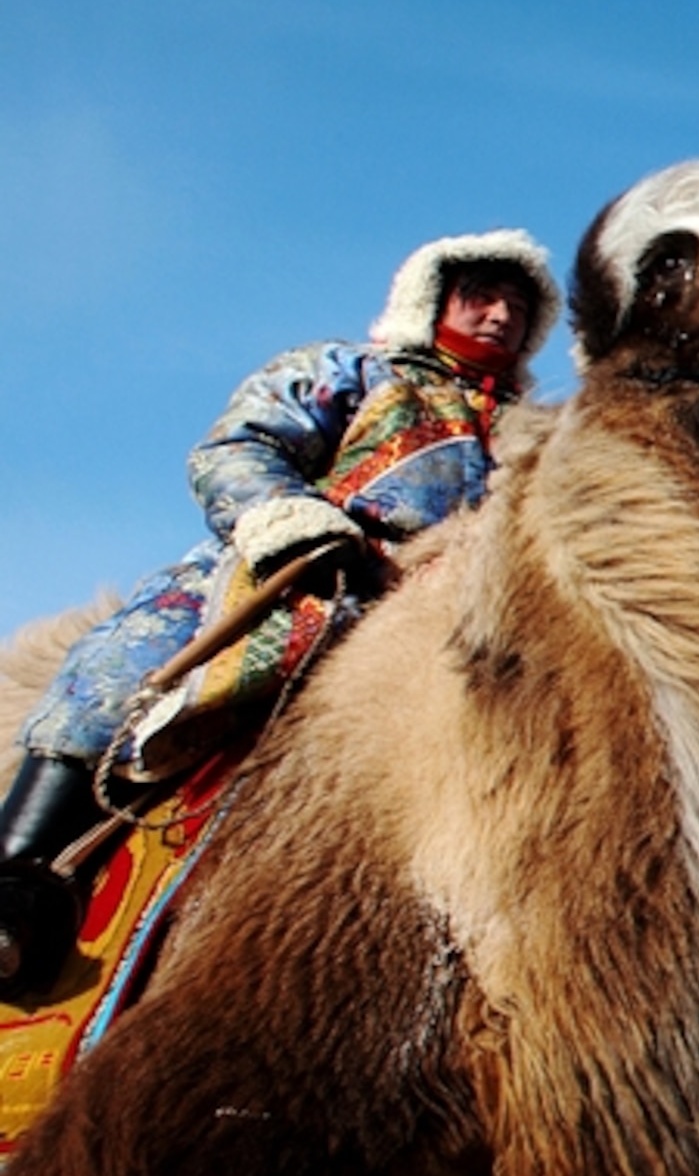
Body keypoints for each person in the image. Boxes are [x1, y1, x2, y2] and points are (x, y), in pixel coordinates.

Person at [0, 231, 559, 999]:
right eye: (480, 297)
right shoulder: (354, 373)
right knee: (125, 658)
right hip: (305, 567)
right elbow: (237, 445)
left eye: (518, 307)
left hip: (457, 600)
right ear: (431, 302)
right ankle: (21, 873)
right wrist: (288, 519)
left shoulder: (538, 432)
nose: (499, 315)